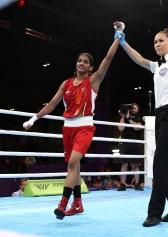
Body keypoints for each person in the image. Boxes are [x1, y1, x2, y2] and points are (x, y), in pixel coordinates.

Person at [22, 22, 122, 220]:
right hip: (67, 128)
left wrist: (118, 35)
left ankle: (63, 203)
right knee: (73, 166)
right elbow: (52, 104)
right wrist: (34, 118)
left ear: (90, 67)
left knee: (73, 163)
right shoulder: (66, 84)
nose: (81, 63)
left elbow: (108, 58)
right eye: (79, 60)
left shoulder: (93, 81)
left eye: (85, 61)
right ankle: (78, 204)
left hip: (85, 126)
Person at [115, 24, 168, 227]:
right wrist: (123, 41)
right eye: (154, 41)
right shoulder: (157, 66)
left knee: (160, 161)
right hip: (160, 116)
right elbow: (139, 59)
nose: (157, 44)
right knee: (167, 163)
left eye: (161, 40)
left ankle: (155, 212)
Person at [117, 103, 144, 191]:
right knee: (124, 164)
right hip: (125, 143)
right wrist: (123, 116)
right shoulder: (125, 117)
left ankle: (137, 184)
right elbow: (120, 129)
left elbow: (137, 128)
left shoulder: (139, 118)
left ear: (138, 110)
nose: (132, 109)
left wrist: (129, 118)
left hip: (136, 143)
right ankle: (122, 184)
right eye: (131, 108)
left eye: (134, 108)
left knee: (135, 164)